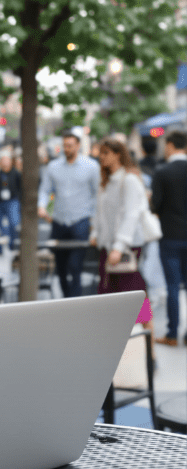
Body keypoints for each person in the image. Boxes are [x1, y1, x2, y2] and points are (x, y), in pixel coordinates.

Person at [89, 139, 153, 332]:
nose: (101, 157)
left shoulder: (130, 180)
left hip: (126, 247)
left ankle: (150, 350)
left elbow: (131, 214)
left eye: (106, 153)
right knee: (109, 296)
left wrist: (119, 246)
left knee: (133, 295)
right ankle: (120, 346)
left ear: (118, 154)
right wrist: (96, 234)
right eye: (100, 153)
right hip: (106, 247)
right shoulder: (105, 182)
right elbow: (99, 213)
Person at [38, 132, 101, 297]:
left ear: (78, 146)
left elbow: (97, 194)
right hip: (59, 221)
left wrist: (93, 219)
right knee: (61, 266)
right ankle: (67, 297)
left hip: (80, 220)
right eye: (65, 145)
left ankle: (75, 299)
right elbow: (45, 190)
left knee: (75, 266)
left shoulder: (91, 166)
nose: (67, 149)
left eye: (70, 145)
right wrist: (42, 206)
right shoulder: (54, 167)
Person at [150, 130, 187, 346]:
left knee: (172, 286)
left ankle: (172, 333)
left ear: (171, 145)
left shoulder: (162, 171)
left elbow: (156, 203)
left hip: (170, 235)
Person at [0, 153, 22, 249]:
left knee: (14, 222)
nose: (5, 162)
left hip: (12, 201)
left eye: (7, 160)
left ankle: (13, 244)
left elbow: (20, 187)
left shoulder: (16, 173)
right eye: (3, 160)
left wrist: (17, 196)